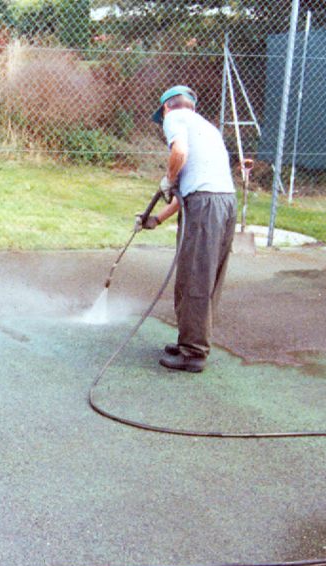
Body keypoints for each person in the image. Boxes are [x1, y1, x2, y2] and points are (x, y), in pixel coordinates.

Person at [141, 85, 236, 373]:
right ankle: (190, 340)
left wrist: (168, 178)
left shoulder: (175, 118)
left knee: (194, 276)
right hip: (224, 203)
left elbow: (179, 153)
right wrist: (157, 218)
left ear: (167, 108)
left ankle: (192, 353)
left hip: (206, 206)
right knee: (205, 277)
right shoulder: (207, 128)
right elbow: (189, 193)